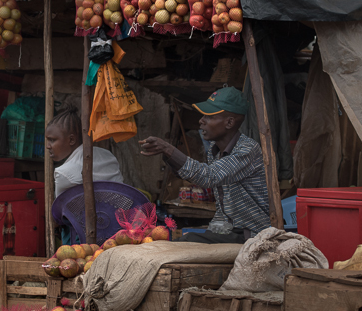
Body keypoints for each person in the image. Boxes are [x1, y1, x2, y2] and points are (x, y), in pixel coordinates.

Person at [139, 87, 270, 244]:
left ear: (229, 122)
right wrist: (167, 154)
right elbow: (192, 174)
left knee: (187, 242)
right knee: (184, 241)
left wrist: (168, 148)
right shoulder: (214, 152)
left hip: (251, 233)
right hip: (225, 229)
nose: (201, 120)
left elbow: (208, 176)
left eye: (209, 117)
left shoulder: (248, 150)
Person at [45, 107, 123, 199]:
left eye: (52, 140)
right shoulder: (107, 155)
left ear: (71, 140)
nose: (48, 146)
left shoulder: (63, 173)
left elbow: (61, 210)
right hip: (120, 212)